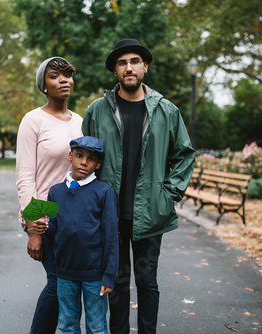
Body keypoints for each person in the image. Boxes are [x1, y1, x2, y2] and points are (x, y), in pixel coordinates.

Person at [82, 39, 196, 333]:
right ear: (115, 71)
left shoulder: (166, 110)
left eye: (134, 61)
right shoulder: (97, 110)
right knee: (116, 283)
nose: (128, 67)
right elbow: (84, 157)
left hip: (150, 214)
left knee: (148, 282)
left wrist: (167, 195)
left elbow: (184, 155)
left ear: (145, 66)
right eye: (122, 63)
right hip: (109, 215)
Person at [16, 57, 83, 334]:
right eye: (55, 76)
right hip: (44, 212)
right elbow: (24, 177)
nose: (63, 80)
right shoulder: (33, 120)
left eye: (67, 75)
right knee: (57, 282)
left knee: (70, 283)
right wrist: (32, 228)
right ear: (43, 84)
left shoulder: (80, 120)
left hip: (75, 212)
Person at [33, 136, 118, 334]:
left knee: (97, 326)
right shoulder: (55, 192)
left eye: (91, 159)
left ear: (98, 164)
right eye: (79, 156)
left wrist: (109, 276)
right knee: (66, 325)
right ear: (70, 156)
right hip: (65, 272)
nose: (84, 162)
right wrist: (43, 227)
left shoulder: (104, 192)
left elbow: (111, 237)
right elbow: (55, 229)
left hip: (95, 275)